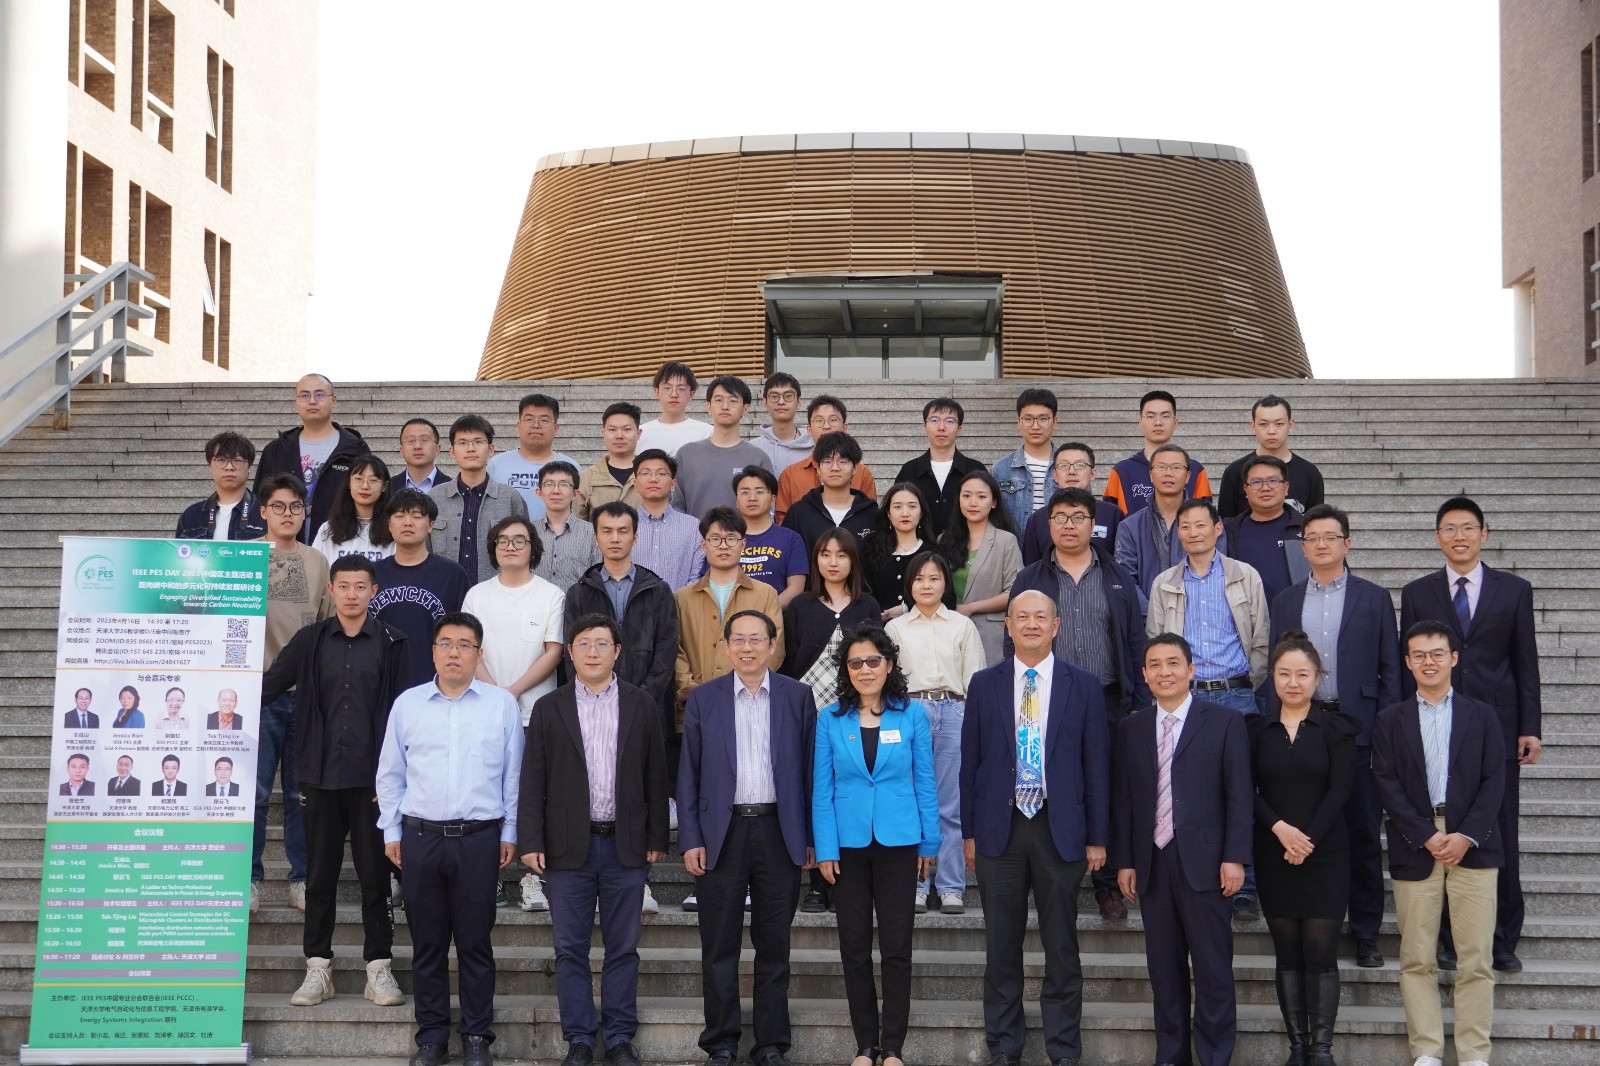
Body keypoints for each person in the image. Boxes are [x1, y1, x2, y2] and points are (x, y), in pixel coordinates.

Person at [960, 590, 1110, 1066]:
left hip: (1058, 828)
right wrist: (969, 832)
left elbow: (1096, 766)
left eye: (1040, 617)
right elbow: (970, 764)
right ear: (1007, 625)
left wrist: (1097, 837)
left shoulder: (1082, 685)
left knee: (1061, 945)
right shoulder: (983, 684)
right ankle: (1005, 1046)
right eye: (1021, 616)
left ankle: (1063, 1048)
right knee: (1001, 946)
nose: (1031, 624)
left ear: (1056, 625)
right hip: (998, 829)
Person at [261, 554, 410, 1011]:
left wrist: (398, 778)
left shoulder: (393, 641)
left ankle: (378, 967)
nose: (351, 594)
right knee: (320, 877)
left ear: (373, 592)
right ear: (330, 590)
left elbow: (406, 713)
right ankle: (318, 967)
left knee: (374, 878)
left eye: (360, 586)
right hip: (319, 777)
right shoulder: (309, 641)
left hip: (373, 782)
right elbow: (268, 686)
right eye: (343, 586)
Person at [1398, 495, 1541, 973]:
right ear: (1437, 537)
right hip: (1434, 724)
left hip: (1497, 727)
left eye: (1467, 528)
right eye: (1449, 529)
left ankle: (1501, 939)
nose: (1458, 537)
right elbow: (1406, 663)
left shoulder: (1513, 589)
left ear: (1484, 534)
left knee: (1498, 828)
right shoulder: (1418, 592)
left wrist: (1530, 726)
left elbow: (1525, 662)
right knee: (1442, 826)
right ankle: (1447, 937)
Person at [519, 615, 670, 1066]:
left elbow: (655, 773)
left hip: (626, 844)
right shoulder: (549, 707)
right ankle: (580, 1039)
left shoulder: (642, 704)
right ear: (569, 652)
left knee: (623, 948)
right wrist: (530, 839)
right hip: (567, 846)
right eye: (583, 643)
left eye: (602, 643)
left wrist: (656, 835)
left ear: (617, 651)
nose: (592, 652)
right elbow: (533, 778)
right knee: (570, 948)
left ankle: (619, 1037)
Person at [378, 612, 524, 1066]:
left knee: (476, 942)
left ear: (479, 654)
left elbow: (513, 775)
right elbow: (391, 774)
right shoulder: (408, 705)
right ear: (433, 651)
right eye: (446, 644)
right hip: (420, 839)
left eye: (464, 645)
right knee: (427, 944)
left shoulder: (501, 705)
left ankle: (477, 1036)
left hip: (479, 839)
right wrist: (391, 830)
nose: (454, 653)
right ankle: (432, 1038)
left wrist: (510, 830)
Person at [678, 609, 818, 1066]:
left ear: (773, 645)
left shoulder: (798, 696)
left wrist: (811, 836)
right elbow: (689, 774)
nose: (747, 647)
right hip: (722, 833)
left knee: (774, 945)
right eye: (738, 639)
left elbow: (811, 771)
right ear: (726, 646)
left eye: (757, 639)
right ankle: (720, 1042)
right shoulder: (705, 698)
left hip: (780, 831)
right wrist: (691, 837)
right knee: (719, 945)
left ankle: (771, 1044)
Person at [1005, 486, 1149, 919]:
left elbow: (1134, 640)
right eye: (1061, 517)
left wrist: (1138, 702)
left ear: (1094, 524)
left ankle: (1107, 886)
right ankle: (1050, 875)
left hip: (1108, 699)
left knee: (1107, 787)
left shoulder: (1116, 575)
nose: (1069, 525)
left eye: (1079, 517)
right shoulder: (1031, 577)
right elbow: (1013, 640)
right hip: (1048, 699)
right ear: (1048, 524)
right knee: (1057, 785)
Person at [1111, 634, 1253, 1066]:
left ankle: (1214, 1057)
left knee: (1212, 971)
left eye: (1173, 663)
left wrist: (1235, 857)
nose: (1164, 672)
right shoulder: (1132, 728)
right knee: (1164, 972)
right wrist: (1125, 861)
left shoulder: (1225, 721)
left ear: (1191, 670)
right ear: (1144, 675)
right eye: (1155, 665)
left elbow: (1239, 795)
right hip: (1152, 863)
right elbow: (1124, 800)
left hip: (1207, 863)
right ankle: (1171, 1057)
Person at [1269, 504, 1400, 969]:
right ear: (1302, 547)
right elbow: (1275, 669)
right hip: (1302, 725)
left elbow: (1391, 670)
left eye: (1330, 537)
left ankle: (1365, 932)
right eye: (1312, 538)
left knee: (1362, 831)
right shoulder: (1285, 600)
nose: (1321, 545)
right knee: (1306, 827)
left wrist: (1387, 735)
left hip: (1357, 726)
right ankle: (1308, 924)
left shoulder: (1374, 598)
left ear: (1347, 543)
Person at [1372, 620, 1506, 1066]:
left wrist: (1465, 835)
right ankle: (1427, 1049)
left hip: (1474, 842)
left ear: (1454, 658)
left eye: (1437, 654)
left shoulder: (1482, 715)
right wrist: (1426, 834)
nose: (1428, 662)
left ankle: (1473, 1053)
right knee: (1416, 956)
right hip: (1416, 842)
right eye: (1419, 655)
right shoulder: (1390, 720)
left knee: (1476, 958)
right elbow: (1386, 782)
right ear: (1408, 663)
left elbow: (1494, 781)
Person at [812, 623, 940, 1066]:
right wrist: (825, 848)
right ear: (845, 670)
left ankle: (894, 1048)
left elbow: (925, 781)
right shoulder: (830, 719)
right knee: (853, 947)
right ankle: (865, 1045)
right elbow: (821, 790)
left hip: (900, 842)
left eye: (872, 661)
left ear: (888, 664)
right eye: (855, 663)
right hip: (847, 847)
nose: (864, 670)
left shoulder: (912, 715)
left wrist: (930, 842)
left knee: (897, 948)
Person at [1147, 498, 1269, 919]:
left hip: (1236, 695)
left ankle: (1245, 887)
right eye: (1185, 526)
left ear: (1218, 529)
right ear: (1177, 533)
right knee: (1188, 788)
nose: (1193, 532)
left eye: (1201, 525)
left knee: (1241, 789)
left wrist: (1246, 684)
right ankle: (1195, 877)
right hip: (1187, 698)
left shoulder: (1244, 576)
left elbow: (1261, 639)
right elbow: (1156, 641)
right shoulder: (1164, 583)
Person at [563, 502, 681, 918]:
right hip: (591, 708)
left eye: (623, 530)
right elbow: (573, 651)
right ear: (596, 537)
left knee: (639, 792)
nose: (615, 538)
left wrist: (638, 701)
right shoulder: (580, 591)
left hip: (645, 710)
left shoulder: (657, 589)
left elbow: (666, 652)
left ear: (635, 536)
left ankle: (639, 880)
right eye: (607, 531)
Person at [1248, 632, 1358, 1066]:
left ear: (1317, 677)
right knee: (1288, 955)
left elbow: (1341, 790)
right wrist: (1281, 831)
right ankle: (1298, 1047)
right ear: (1272, 677)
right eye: (1284, 674)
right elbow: (1246, 789)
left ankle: (1322, 1050)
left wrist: (1306, 840)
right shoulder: (1255, 730)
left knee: (1321, 953)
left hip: (1326, 853)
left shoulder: (1336, 729)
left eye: (1302, 675)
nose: (1293, 683)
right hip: (1274, 852)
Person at [780, 529, 882, 913]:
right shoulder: (800, 607)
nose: (833, 562)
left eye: (841, 554)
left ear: (853, 561)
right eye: (825, 554)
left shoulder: (867, 605)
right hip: (810, 715)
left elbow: (877, 661)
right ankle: (818, 883)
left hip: (856, 715)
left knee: (849, 791)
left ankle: (847, 882)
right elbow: (789, 663)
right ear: (816, 560)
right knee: (816, 791)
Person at [886, 552, 984, 914]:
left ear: (946, 584)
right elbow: (889, 680)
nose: (926, 585)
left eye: (934, 578)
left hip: (954, 709)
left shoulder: (962, 625)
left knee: (950, 803)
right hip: (909, 711)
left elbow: (975, 678)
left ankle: (951, 886)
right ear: (909, 585)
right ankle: (916, 884)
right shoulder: (895, 629)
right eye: (919, 578)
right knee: (912, 799)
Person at [252, 470, 330, 914]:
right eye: (279, 506)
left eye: (296, 507)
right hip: (257, 692)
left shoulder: (318, 561)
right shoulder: (242, 558)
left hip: (306, 694)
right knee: (256, 792)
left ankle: (301, 878)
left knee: (303, 794)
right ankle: (249, 877)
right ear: (263, 511)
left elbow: (326, 624)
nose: (288, 514)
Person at [674, 508, 787, 723]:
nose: (723, 546)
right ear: (703, 544)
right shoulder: (682, 598)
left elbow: (775, 646)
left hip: (751, 704)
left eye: (731, 538)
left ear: (743, 544)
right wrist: (693, 690)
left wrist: (745, 686)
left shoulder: (766, 594)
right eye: (715, 539)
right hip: (695, 706)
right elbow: (675, 650)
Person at [463, 516, 565, 725]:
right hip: (484, 710)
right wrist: (496, 694)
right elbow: (468, 649)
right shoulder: (476, 595)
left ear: (533, 549)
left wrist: (514, 690)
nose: (510, 547)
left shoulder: (552, 595)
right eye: (502, 541)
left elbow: (554, 653)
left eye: (519, 541)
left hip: (536, 714)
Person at [254, 373, 369, 545]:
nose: (312, 401)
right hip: (284, 547)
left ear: (333, 400)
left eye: (320, 394)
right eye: (305, 395)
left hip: (339, 543)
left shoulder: (355, 449)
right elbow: (261, 500)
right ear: (296, 401)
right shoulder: (277, 450)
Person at [372, 489, 471, 688]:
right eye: (399, 516)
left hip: (435, 684)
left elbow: (465, 632)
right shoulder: (371, 574)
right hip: (378, 682)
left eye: (417, 516)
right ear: (389, 524)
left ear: (431, 525)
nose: (407, 523)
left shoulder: (452, 574)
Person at [1113, 444, 1228, 607]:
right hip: (1148, 618)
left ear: (1187, 476)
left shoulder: (1210, 523)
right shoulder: (1130, 527)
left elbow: (1218, 572)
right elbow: (1126, 579)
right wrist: (1152, 616)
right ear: (1151, 475)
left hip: (1198, 615)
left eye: (1176, 467)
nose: (1168, 473)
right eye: (1161, 467)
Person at [428, 416, 529, 584]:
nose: (471, 448)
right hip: (445, 590)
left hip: (497, 592)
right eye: (462, 443)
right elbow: (425, 550)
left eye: (478, 442)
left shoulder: (510, 497)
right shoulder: (434, 498)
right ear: (452, 451)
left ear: (491, 449)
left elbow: (525, 550)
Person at [937, 469, 1022, 664]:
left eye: (981, 496)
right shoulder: (944, 541)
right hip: (948, 632)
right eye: (966, 496)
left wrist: (971, 608)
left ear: (994, 502)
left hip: (989, 635)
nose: (973, 503)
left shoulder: (1005, 541)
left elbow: (1015, 592)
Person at [672, 376, 774, 517]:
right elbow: (676, 508)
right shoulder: (686, 455)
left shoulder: (758, 458)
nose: (725, 406)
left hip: (743, 532)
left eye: (733, 400)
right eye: (719, 400)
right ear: (709, 407)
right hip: (694, 532)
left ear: (745, 409)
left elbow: (767, 511)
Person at [1103, 390, 1211, 516]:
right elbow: (1108, 518)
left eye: (1165, 416)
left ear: (1175, 421)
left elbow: (1206, 519)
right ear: (1140, 421)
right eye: (1150, 416)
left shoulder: (1195, 470)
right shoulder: (1121, 471)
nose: (1158, 422)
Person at [1217, 395, 1325, 519]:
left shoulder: (1310, 473)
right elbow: (1226, 522)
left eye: (1279, 424)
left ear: (1290, 425)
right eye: (1263, 424)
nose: (1271, 431)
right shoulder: (1235, 471)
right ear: (1253, 426)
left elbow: (1317, 523)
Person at [774, 395, 877, 521]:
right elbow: (783, 520)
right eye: (819, 420)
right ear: (809, 429)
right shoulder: (790, 475)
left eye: (833, 420)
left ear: (844, 427)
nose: (826, 426)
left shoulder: (862, 473)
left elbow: (870, 517)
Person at [893, 397, 985, 538]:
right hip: (920, 550)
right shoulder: (909, 471)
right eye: (934, 420)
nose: (941, 427)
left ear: (960, 429)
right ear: (924, 427)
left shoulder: (975, 470)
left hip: (965, 548)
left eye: (950, 421)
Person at [1221, 454, 1307, 604]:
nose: (1265, 488)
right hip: (1246, 615)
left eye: (1273, 481)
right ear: (1246, 490)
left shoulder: (1307, 529)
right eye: (1256, 482)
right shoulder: (1229, 532)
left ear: (1286, 487)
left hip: (1296, 614)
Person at [1019, 442, 1122, 565]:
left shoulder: (1112, 514)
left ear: (1093, 474)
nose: (1071, 471)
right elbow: (1031, 567)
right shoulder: (1038, 518)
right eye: (1064, 466)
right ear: (1055, 475)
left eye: (1080, 465)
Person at [781, 432, 877, 553]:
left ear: (854, 468)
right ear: (818, 468)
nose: (835, 468)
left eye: (843, 461)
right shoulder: (799, 513)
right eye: (827, 461)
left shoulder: (871, 514)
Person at [488, 392, 578, 521]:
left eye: (544, 420)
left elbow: (578, 513)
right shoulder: (497, 465)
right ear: (519, 426)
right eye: (529, 419)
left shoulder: (571, 467)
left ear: (556, 428)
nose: (536, 425)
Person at [865, 483, 951, 620]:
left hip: (924, 628)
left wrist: (906, 609)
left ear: (921, 512)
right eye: (897, 507)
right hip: (880, 628)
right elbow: (863, 593)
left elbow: (948, 598)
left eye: (912, 506)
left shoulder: (934, 553)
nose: (905, 513)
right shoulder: (872, 550)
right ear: (888, 513)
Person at [631, 449, 705, 590]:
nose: (653, 479)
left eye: (661, 473)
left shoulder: (693, 527)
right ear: (635, 484)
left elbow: (697, 576)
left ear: (673, 484)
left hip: (680, 603)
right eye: (645, 473)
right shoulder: (624, 526)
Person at [176, 430, 267, 540]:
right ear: (210, 466)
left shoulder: (265, 513)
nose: (229, 467)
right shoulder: (191, 516)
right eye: (221, 460)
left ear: (249, 467)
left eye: (237, 460)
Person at [990, 387, 1059, 531]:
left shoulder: (1069, 466)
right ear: (1019, 421)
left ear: (1054, 421)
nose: (1035, 426)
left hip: (1059, 544)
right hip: (1015, 544)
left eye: (1043, 419)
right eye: (1028, 419)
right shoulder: (1001, 469)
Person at [311, 454, 396, 565]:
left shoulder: (394, 529)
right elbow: (316, 569)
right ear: (349, 483)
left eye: (373, 480)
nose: (365, 486)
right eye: (358, 479)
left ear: (384, 486)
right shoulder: (328, 530)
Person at [532, 461, 601, 591]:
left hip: (578, 604)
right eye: (549, 484)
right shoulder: (528, 533)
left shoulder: (592, 533)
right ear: (539, 492)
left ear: (575, 494)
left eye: (564, 484)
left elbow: (597, 580)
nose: (556, 491)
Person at [578, 402, 645, 519]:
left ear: (638, 433)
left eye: (627, 429)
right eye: (612, 429)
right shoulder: (587, 478)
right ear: (603, 433)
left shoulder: (652, 476)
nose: (619, 436)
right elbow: (577, 523)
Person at [638, 360, 714, 456]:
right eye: (667, 388)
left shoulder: (707, 433)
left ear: (691, 394)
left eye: (681, 389)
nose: (674, 394)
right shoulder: (640, 434)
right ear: (657, 392)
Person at [750, 371, 812, 474]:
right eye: (774, 396)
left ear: (798, 402)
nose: (781, 402)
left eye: (788, 396)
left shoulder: (815, 448)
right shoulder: (752, 449)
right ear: (765, 403)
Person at [392, 417, 446, 493]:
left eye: (424, 440)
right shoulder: (388, 487)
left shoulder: (453, 487)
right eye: (411, 440)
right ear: (401, 450)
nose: (417, 446)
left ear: (437, 448)